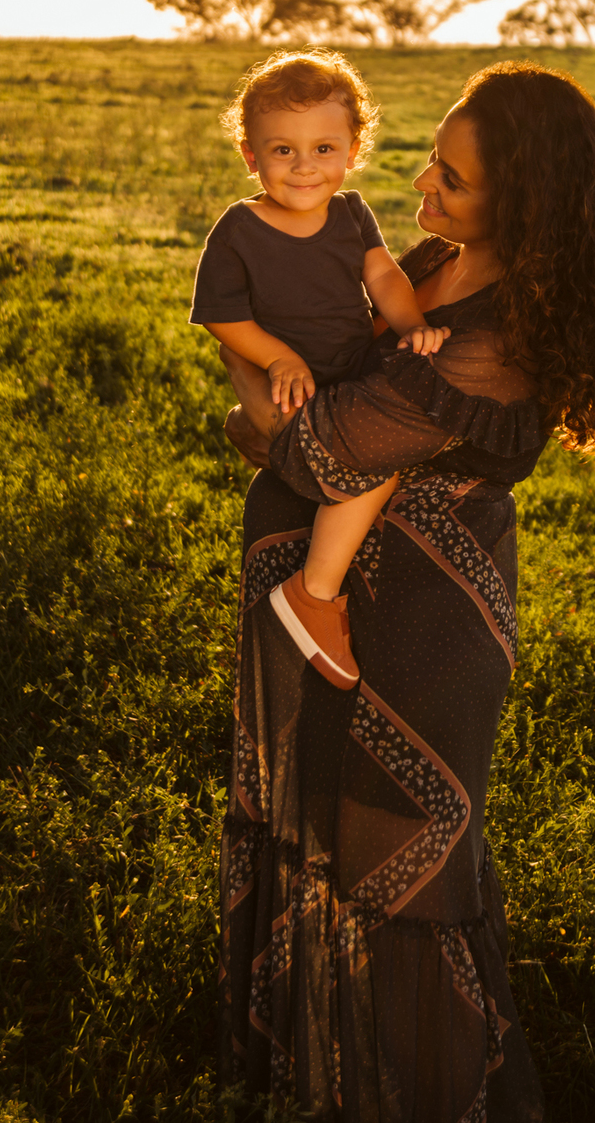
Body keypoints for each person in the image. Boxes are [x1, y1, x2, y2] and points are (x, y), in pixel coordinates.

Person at [217, 60, 595, 1123]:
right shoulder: (424, 267)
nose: (420, 182)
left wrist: (254, 393)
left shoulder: (506, 331)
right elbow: (297, 401)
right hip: (318, 603)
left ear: (521, 202)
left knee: (403, 864)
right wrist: (267, 393)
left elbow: (314, 446)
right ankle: (315, 1114)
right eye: (432, 160)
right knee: (314, 831)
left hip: (425, 622)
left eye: (451, 179)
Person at [190, 50, 449, 691]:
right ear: (251, 155)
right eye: (283, 150)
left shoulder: (352, 213)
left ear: (353, 151)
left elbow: (382, 276)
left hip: (353, 372)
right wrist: (278, 356)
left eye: (324, 148)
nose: (304, 166)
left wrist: (412, 324)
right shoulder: (239, 229)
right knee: (372, 467)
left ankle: (336, 571)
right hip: (293, 383)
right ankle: (314, 594)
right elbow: (221, 316)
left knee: (386, 449)